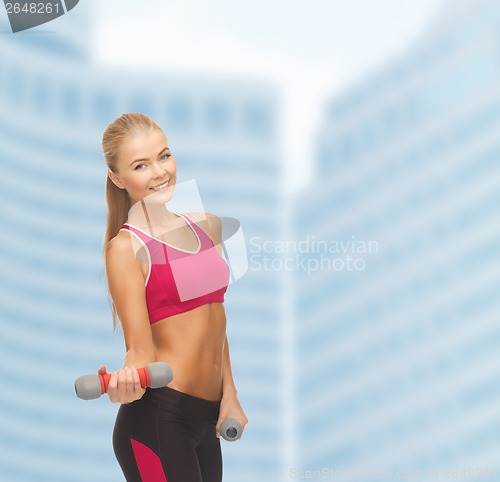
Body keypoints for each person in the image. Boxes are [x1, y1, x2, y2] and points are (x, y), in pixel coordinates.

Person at [99, 112, 248, 482]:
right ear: (117, 178)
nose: (159, 173)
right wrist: (126, 382)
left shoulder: (206, 226)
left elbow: (214, 321)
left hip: (207, 416)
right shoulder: (125, 248)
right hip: (158, 419)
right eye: (140, 165)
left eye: (164, 156)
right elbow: (140, 349)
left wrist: (229, 395)